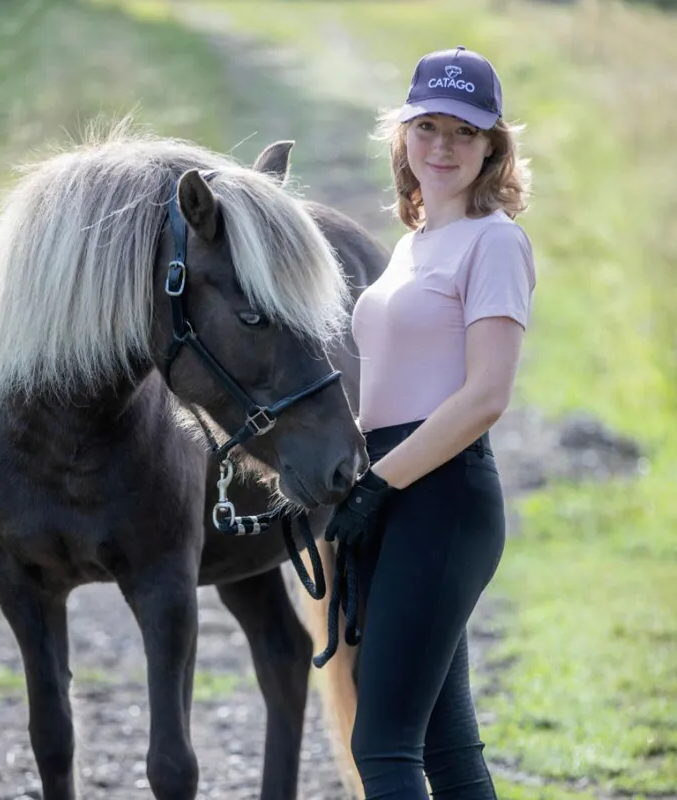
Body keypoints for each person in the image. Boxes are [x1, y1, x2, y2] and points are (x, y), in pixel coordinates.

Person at [323, 46, 536, 798]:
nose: (442, 147)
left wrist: (379, 486)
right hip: (392, 494)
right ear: (403, 138)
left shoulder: (496, 242)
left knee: (381, 743)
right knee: (446, 751)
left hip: (441, 499)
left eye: (464, 133)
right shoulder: (413, 249)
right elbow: (386, 388)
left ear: (492, 147)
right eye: (428, 128)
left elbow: (485, 396)